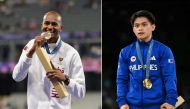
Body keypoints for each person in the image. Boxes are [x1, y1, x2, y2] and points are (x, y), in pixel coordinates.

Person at [12, 11, 85, 109]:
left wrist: (66, 79)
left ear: (61, 28)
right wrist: (31, 52)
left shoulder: (72, 53)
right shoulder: (31, 45)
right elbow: (17, 76)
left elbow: (81, 93)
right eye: (47, 23)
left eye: (54, 24)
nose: (50, 27)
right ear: (42, 25)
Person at [116, 10, 178, 109]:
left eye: (144, 24)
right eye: (136, 26)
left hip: (158, 105)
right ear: (133, 29)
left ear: (153, 27)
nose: (140, 28)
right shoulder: (125, 52)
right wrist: (122, 102)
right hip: (132, 106)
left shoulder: (164, 50)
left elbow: (169, 77)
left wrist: (171, 101)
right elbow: (121, 79)